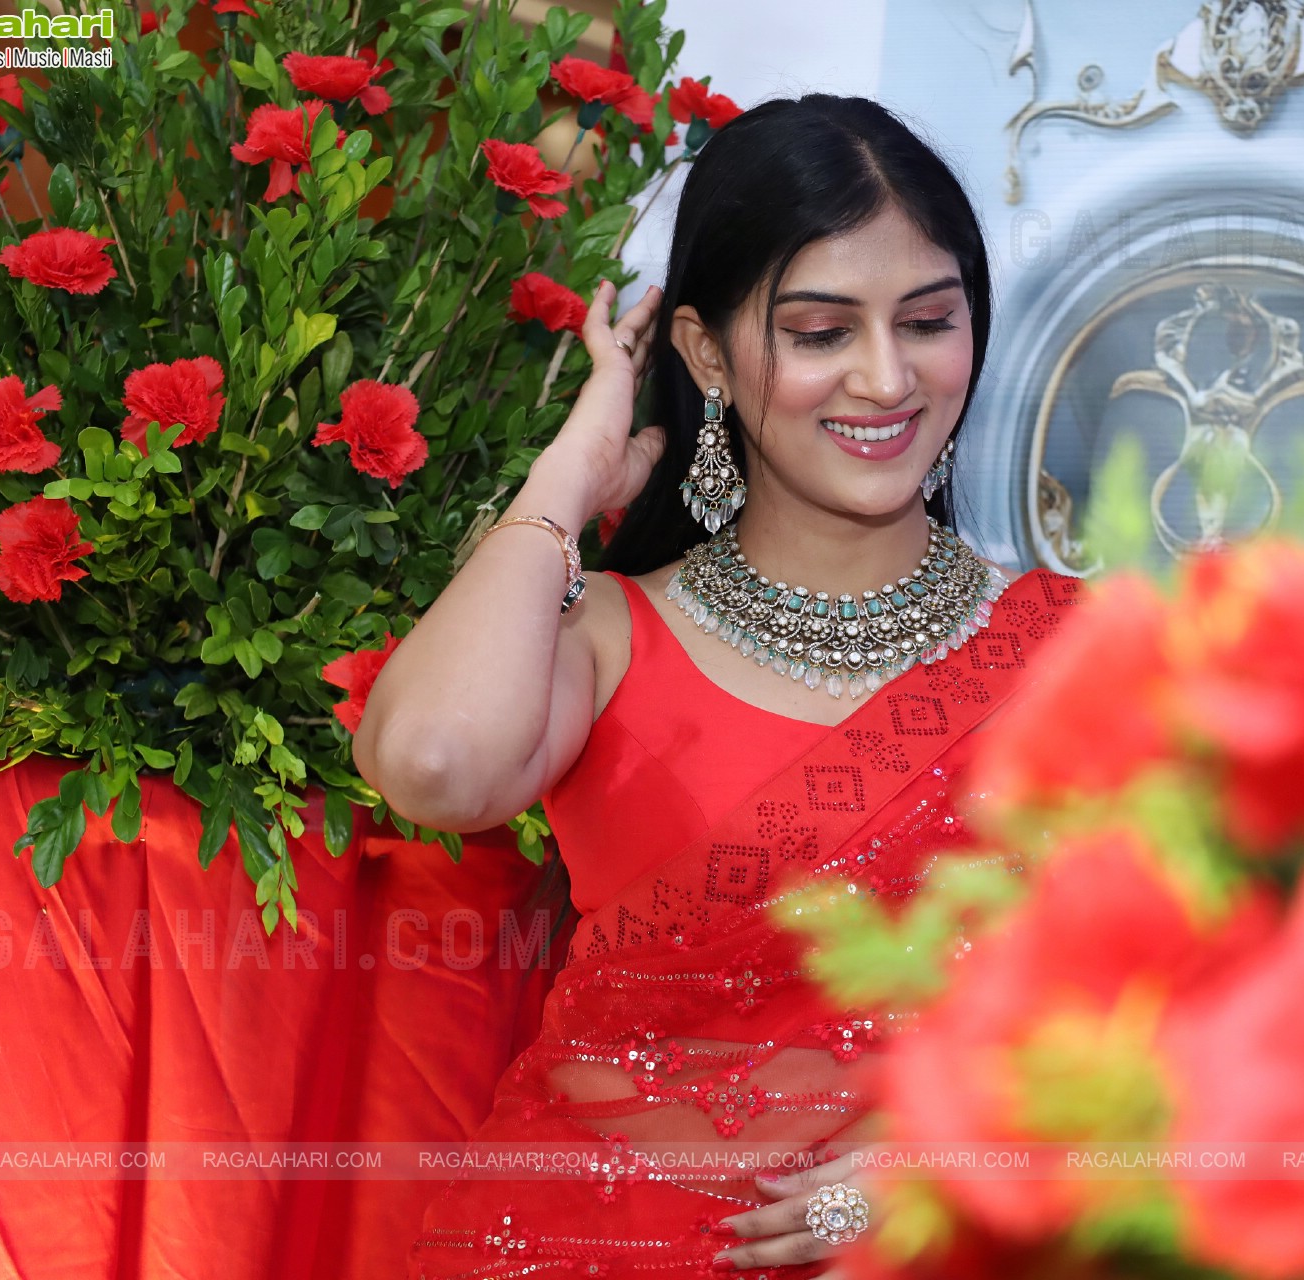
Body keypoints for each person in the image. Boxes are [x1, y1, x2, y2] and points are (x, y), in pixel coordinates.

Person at [354, 93, 1082, 1279]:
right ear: (704, 351)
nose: (887, 378)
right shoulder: (602, 631)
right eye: (820, 331)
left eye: (929, 321)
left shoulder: (1077, 655)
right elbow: (434, 763)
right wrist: (573, 469)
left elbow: (1192, 1010)